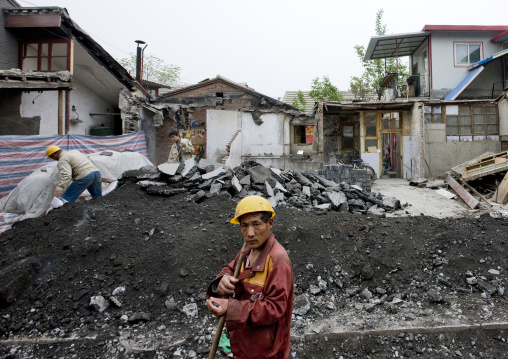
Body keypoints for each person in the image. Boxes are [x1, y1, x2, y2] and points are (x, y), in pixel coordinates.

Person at [206, 195, 294, 359]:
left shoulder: (277, 260)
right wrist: (222, 280)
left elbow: (274, 308)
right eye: (244, 226)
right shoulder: (247, 251)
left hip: (266, 351)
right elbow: (230, 269)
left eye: (256, 224)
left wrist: (230, 308)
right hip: (245, 343)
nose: (250, 233)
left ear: (270, 224)